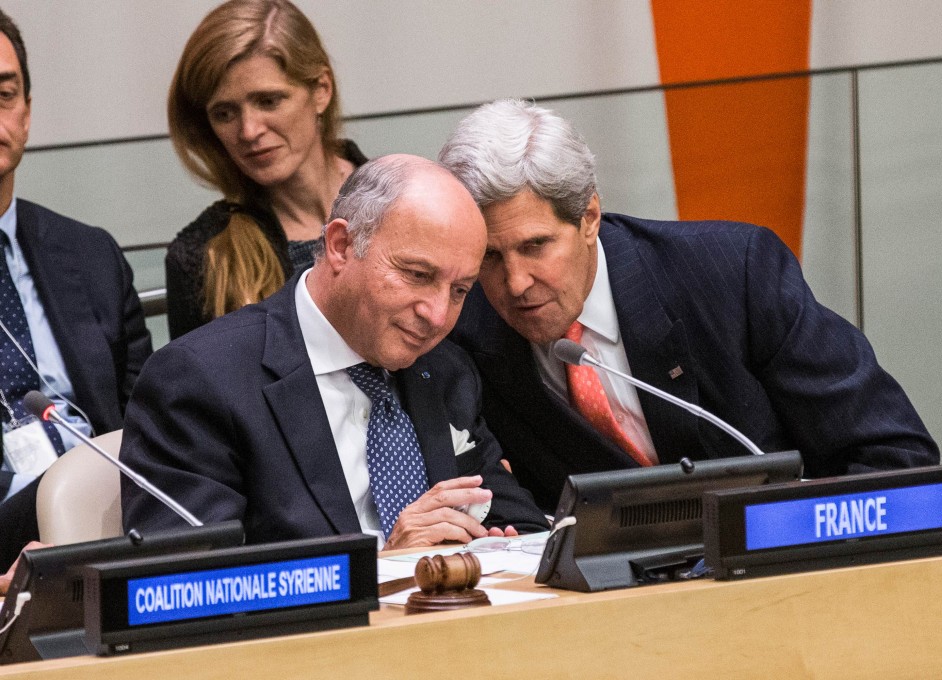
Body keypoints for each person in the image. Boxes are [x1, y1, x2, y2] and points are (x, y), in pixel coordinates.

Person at [440, 99, 939, 512]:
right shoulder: (461, 331)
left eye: (535, 246)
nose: (515, 283)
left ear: (589, 217)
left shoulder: (733, 274)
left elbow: (894, 454)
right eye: (489, 257)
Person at [120, 155, 548, 548]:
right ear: (341, 245)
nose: (437, 315)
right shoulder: (202, 381)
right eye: (417, 275)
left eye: (459, 291)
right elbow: (188, 587)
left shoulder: (444, 368)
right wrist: (385, 570)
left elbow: (521, 525)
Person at [0, 9, 152, 572]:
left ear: (28, 111)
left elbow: (151, 423)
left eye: (4, 93)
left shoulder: (91, 256)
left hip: (107, 529)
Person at [165, 0, 368, 339]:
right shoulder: (204, 254)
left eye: (268, 101)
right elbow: (201, 390)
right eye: (225, 113)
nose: (248, 131)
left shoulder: (404, 199)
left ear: (321, 90)